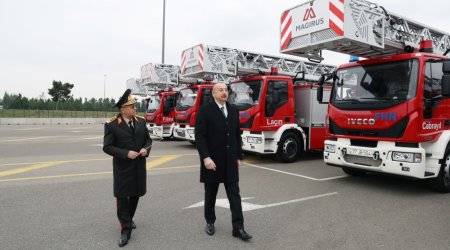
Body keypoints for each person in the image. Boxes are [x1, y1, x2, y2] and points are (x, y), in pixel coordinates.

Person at [195, 83, 252, 241]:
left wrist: (238, 156)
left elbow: (236, 135)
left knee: (235, 195)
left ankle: (238, 227)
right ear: (213, 93)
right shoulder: (205, 111)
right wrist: (205, 157)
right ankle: (210, 221)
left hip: (230, 161)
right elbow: (200, 137)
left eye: (226, 90)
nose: (224, 92)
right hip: (212, 161)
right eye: (220, 90)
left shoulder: (233, 110)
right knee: (210, 193)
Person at [103, 89, 152, 247]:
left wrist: (146, 149)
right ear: (123, 109)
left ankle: (128, 219)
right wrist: (125, 153)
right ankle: (125, 230)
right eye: (132, 106)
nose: (135, 108)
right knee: (123, 198)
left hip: (138, 167)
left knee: (136, 195)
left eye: (135, 105)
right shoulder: (112, 125)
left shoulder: (141, 121)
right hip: (123, 169)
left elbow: (148, 140)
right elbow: (107, 147)